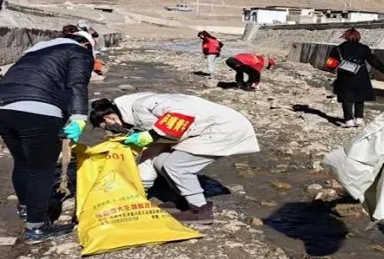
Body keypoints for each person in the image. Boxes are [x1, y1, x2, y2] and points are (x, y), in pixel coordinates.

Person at [0, 29, 95, 243]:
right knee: (41, 171)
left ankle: (26, 209)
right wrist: (78, 118)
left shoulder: (35, 51)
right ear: (86, 44)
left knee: (22, 163)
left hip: (1, 107)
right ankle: (36, 228)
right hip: (39, 110)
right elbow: (77, 84)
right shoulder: (78, 51)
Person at [89, 92, 260, 224]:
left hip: (223, 128)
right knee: (161, 161)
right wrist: (142, 187)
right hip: (204, 130)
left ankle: (200, 210)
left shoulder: (142, 105)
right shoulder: (133, 114)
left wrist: (152, 135)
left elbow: (180, 114)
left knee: (177, 166)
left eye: (109, 128)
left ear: (110, 117)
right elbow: (152, 154)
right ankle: (183, 201)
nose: (112, 132)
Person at [325, 28, 384, 128]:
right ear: (358, 37)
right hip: (360, 74)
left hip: (345, 75)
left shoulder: (338, 48)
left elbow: (331, 63)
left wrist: (331, 67)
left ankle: (349, 121)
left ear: (346, 37)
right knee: (359, 97)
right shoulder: (364, 48)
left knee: (347, 98)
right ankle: (359, 119)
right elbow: (373, 60)